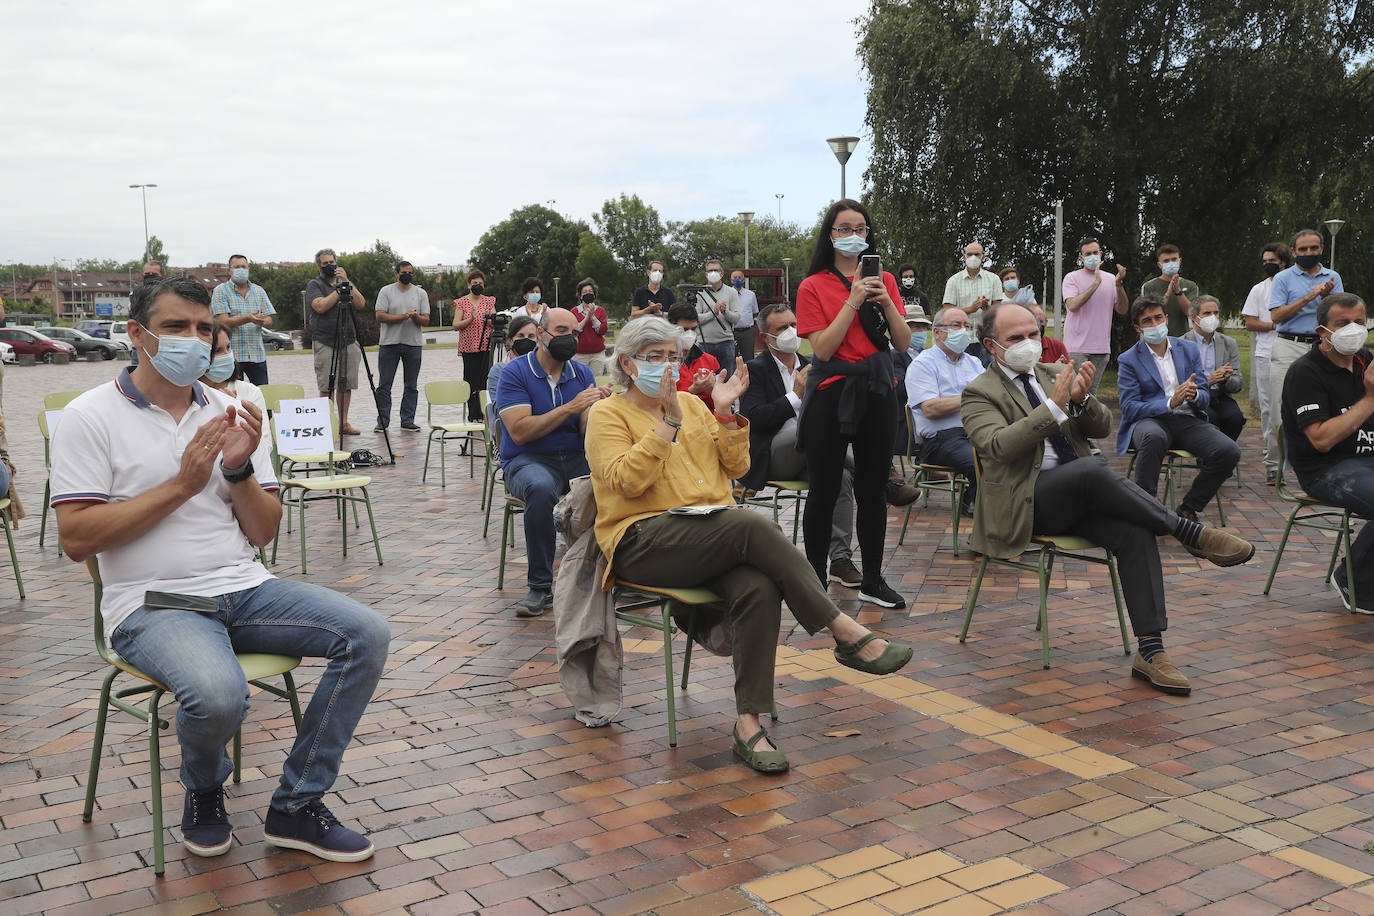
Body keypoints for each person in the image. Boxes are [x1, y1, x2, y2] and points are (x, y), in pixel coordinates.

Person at [49, 276, 389, 862]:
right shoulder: (88, 416)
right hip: (151, 603)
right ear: (137, 334)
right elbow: (77, 539)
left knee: (367, 634)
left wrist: (237, 472)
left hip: (245, 588)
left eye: (205, 330)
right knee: (218, 694)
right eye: (177, 327)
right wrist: (181, 485)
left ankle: (296, 805)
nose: (195, 340)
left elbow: (262, 533)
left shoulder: (237, 411)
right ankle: (204, 791)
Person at [585, 315, 913, 772]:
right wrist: (667, 427)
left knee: (758, 586)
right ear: (627, 363)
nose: (666, 366)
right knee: (751, 525)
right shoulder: (607, 413)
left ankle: (747, 724)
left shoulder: (693, 405)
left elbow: (737, 468)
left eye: (672, 357)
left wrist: (721, 412)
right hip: (643, 539)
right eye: (654, 358)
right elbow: (625, 482)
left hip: (712, 532)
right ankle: (841, 629)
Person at [965, 301, 1254, 694]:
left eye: (1034, 334)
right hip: (1027, 503)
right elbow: (996, 446)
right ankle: (1189, 532)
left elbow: (1101, 428)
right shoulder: (979, 392)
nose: (1030, 343)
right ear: (991, 345)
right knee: (1091, 469)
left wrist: (1082, 401)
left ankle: (1151, 652)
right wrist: (1053, 407)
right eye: (1016, 338)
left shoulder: (1053, 372)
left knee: (1134, 529)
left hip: (1081, 496)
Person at [795, 198, 912, 608]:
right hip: (831, 393)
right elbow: (822, 349)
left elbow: (902, 341)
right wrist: (853, 300)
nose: (852, 236)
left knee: (872, 489)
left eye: (859, 228)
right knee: (824, 489)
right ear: (830, 235)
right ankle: (812, 583)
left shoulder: (887, 281)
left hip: (878, 390)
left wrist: (882, 302)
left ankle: (873, 580)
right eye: (843, 228)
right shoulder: (812, 285)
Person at [496, 308, 609, 617]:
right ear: (541, 334)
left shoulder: (581, 373)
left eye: (574, 333)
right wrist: (571, 408)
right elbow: (519, 432)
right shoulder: (515, 372)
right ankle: (540, 587)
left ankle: (617, 573)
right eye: (561, 331)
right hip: (527, 459)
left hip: (574, 457)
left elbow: (585, 429)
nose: (569, 339)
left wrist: (600, 408)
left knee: (614, 476)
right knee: (541, 487)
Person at [741, 304, 862, 588]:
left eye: (793, 324)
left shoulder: (813, 365)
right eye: (781, 328)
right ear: (764, 336)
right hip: (774, 453)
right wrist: (795, 396)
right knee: (812, 432)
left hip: (815, 455)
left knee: (841, 477)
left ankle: (840, 560)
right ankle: (877, 473)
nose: (791, 332)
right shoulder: (754, 370)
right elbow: (753, 419)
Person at [1280, 292, 1374, 612]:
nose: (1354, 330)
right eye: (1343, 323)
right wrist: (1371, 399)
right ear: (1323, 332)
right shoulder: (1305, 373)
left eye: (1359, 322)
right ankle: (1353, 578)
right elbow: (1321, 440)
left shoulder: (1368, 362)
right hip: (1326, 468)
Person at [1116, 296, 1241, 519]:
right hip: (1150, 421)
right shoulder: (1129, 359)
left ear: (1167, 318)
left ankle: (1189, 508)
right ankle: (1146, 512)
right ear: (1138, 328)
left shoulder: (1188, 349)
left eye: (1158, 317)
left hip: (1186, 420)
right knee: (1153, 438)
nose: (1155, 324)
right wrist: (1169, 402)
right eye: (1147, 321)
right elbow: (1129, 407)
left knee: (1229, 450)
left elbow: (1204, 394)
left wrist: (1193, 396)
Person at [1269, 228, 1344, 466]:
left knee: (1326, 404)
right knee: (1279, 405)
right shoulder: (1283, 278)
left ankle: (1318, 461)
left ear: (1321, 249)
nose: (1308, 253)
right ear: (1293, 252)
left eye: (1313, 248)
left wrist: (1326, 297)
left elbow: (1339, 316)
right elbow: (1277, 316)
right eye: (1303, 249)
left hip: (1323, 347)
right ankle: (1276, 464)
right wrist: (1309, 297)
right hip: (1289, 344)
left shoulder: (1333, 276)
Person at [906, 307, 983, 516]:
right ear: (938, 332)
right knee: (982, 461)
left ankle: (999, 509)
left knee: (1010, 453)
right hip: (940, 440)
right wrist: (972, 398)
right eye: (957, 325)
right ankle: (976, 506)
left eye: (967, 326)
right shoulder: (923, 364)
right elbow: (930, 409)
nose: (964, 331)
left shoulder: (974, 363)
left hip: (976, 433)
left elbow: (991, 398)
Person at [1242, 243, 1291, 483]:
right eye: (1264, 261)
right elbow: (1250, 323)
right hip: (1265, 354)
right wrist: (1276, 324)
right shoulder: (1259, 289)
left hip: (1294, 352)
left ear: (1283, 261)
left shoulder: (1295, 284)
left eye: (1271, 260)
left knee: (1293, 405)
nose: (1267, 265)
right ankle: (1271, 452)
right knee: (1267, 407)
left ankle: (1292, 452)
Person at [305, 249, 366, 435]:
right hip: (325, 340)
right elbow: (320, 306)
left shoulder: (346, 283)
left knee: (346, 384)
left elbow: (361, 303)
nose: (330, 265)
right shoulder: (314, 284)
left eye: (332, 262)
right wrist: (338, 291)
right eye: (325, 263)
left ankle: (343, 423)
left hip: (348, 339)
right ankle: (326, 424)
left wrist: (346, 283)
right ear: (319, 266)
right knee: (327, 386)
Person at [1061, 237, 1129, 394]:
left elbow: (1123, 309)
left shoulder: (1111, 279)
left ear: (1101, 253)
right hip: (1076, 348)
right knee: (1075, 393)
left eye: (1095, 252)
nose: (1092, 256)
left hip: (1101, 348)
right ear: (1081, 258)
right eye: (1088, 253)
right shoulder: (1072, 278)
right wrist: (1095, 283)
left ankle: (1087, 419)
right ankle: (1073, 419)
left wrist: (1119, 285)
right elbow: (1072, 305)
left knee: (1090, 395)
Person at [373, 260, 429, 432]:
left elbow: (426, 320)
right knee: (384, 384)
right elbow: (380, 316)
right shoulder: (386, 291)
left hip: (413, 344)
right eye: (404, 272)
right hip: (389, 344)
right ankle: (383, 421)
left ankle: (407, 420)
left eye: (410, 272)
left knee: (411, 385)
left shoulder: (420, 293)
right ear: (396, 274)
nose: (407, 275)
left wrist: (415, 318)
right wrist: (402, 316)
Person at [1181, 295, 1245, 441]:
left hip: (1220, 395)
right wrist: (1207, 381)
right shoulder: (1181, 343)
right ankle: (1209, 457)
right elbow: (1178, 381)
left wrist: (1226, 379)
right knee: (1210, 419)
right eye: (1207, 313)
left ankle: (1222, 457)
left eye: (1216, 313)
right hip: (1194, 397)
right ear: (1194, 317)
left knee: (1235, 418)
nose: (1213, 317)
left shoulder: (1229, 343)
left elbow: (1238, 384)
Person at [210, 254, 276, 386]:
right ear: (229, 270)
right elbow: (223, 321)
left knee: (262, 395)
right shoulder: (220, 291)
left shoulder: (259, 291)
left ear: (248, 269)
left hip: (256, 354)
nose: (241, 269)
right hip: (232, 355)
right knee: (234, 396)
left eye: (243, 267)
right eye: (237, 267)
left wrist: (262, 321)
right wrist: (248, 318)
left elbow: (270, 319)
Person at [203, 323, 268, 440]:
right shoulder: (188, 395)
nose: (227, 355)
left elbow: (265, 442)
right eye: (218, 350)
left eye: (228, 347)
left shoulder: (250, 392)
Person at [940, 241, 1002, 364]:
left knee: (987, 377)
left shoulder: (994, 279)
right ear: (964, 257)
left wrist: (987, 308)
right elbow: (947, 312)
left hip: (986, 338)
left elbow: (998, 312)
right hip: (960, 338)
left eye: (977, 254)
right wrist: (971, 309)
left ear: (983, 257)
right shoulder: (954, 281)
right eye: (969, 254)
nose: (973, 257)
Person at [453, 268, 496, 421]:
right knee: (471, 380)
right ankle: (472, 414)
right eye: (474, 283)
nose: (477, 285)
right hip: (469, 347)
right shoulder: (461, 302)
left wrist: (488, 317)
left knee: (484, 379)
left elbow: (493, 322)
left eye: (480, 283)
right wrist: (470, 319)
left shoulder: (488, 301)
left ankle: (484, 413)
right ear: (469, 285)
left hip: (485, 346)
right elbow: (456, 325)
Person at [667, 303, 721, 409]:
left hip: (706, 421)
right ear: (670, 327)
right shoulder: (659, 362)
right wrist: (692, 390)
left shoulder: (710, 361)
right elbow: (659, 405)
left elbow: (717, 406)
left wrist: (712, 393)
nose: (690, 335)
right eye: (684, 330)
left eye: (694, 329)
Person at [1140, 244, 1200, 337]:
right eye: (1166, 261)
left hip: (1182, 338)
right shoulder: (1149, 287)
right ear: (1159, 265)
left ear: (1179, 261)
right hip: (1157, 337)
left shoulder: (1191, 286)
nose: (1171, 263)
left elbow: (1190, 313)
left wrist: (1178, 291)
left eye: (1174, 259)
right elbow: (1149, 313)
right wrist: (1168, 294)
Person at [694, 259, 740, 377]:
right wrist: (713, 313)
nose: (713, 273)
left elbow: (736, 318)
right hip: (704, 343)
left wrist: (725, 312)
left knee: (726, 378)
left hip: (726, 342)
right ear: (706, 274)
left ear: (722, 273)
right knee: (704, 378)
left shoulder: (732, 292)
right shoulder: (699, 293)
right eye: (710, 270)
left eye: (716, 270)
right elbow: (695, 319)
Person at [570, 278, 610, 376]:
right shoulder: (574, 311)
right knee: (579, 380)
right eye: (584, 292)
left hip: (597, 354)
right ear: (580, 296)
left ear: (594, 294)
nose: (587, 293)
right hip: (579, 354)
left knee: (595, 381)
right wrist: (587, 316)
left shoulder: (600, 311)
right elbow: (575, 330)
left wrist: (592, 316)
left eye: (590, 292)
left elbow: (602, 330)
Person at [731, 270, 760, 362]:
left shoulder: (751, 295)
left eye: (739, 277)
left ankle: (750, 376)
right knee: (731, 359)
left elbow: (755, 312)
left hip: (748, 332)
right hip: (732, 332)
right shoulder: (727, 294)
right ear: (731, 280)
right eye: (735, 278)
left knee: (749, 359)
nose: (737, 280)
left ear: (744, 280)